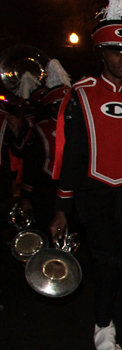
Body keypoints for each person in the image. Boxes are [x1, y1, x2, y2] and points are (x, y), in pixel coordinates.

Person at [50, 0, 122, 350]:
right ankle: (102, 323)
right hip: (93, 192)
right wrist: (62, 206)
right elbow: (71, 152)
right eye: (118, 52)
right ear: (102, 54)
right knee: (107, 260)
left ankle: (113, 329)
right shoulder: (81, 92)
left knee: (121, 263)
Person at [19, 60, 71, 231]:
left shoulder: (80, 127)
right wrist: (26, 196)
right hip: (46, 191)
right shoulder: (41, 129)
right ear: (53, 108)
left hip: (74, 192)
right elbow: (30, 165)